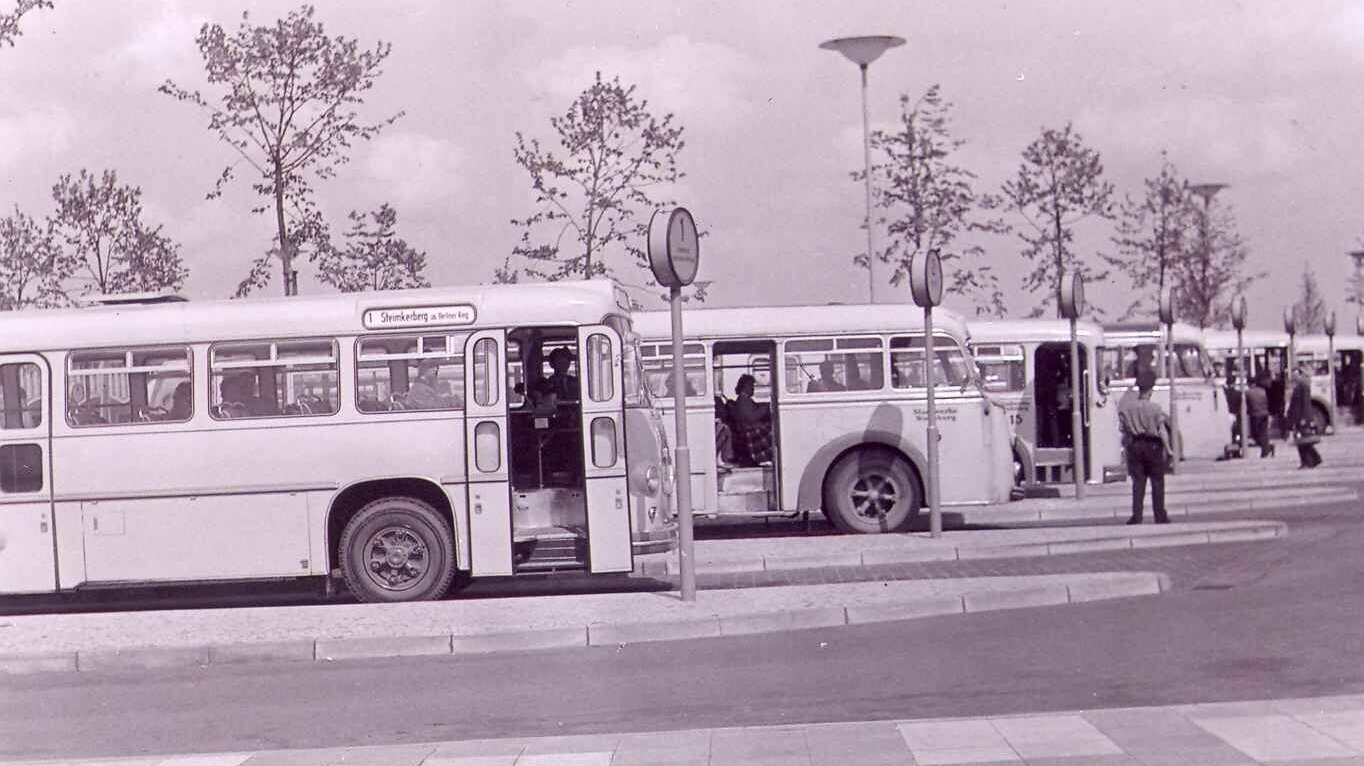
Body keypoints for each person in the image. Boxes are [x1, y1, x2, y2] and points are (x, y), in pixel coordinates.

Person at [1118, 373, 1172, 525]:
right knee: (1157, 482)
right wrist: (1168, 449)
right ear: (1150, 391)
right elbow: (1162, 431)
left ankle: (1137, 516)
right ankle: (1160, 515)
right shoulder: (1155, 408)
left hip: (1135, 446)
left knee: (1138, 483)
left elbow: (1123, 430)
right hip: (1152, 446)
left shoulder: (1127, 409)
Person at [730, 373, 773, 466]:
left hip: (751, 426)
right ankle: (766, 457)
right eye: (751, 385)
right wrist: (765, 408)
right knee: (773, 431)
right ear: (745, 386)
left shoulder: (746, 399)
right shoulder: (743, 400)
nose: (753, 388)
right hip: (750, 430)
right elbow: (751, 417)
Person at [1285, 363, 1323, 469]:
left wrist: (1304, 419)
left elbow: (1305, 404)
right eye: (1292, 375)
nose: (1293, 377)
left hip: (1301, 418)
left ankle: (1308, 461)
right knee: (1302, 441)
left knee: (1303, 441)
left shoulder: (1303, 386)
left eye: (1295, 374)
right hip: (1297, 418)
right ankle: (1313, 460)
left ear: (1300, 374)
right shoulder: (1298, 386)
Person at [1246, 373, 1274, 458]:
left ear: (1249, 383)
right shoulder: (1263, 391)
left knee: (1255, 434)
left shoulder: (1248, 392)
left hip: (1255, 415)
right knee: (1264, 433)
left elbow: (1247, 405)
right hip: (1264, 414)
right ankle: (1265, 450)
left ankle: (1266, 449)